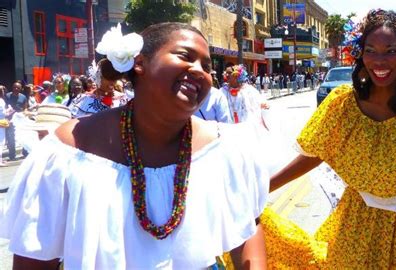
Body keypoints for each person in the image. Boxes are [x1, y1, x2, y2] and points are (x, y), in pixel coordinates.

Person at [0, 22, 269, 269]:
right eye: (185, 56)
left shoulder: (226, 149)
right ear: (139, 62)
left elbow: (246, 229)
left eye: (207, 65)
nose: (199, 70)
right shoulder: (66, 152)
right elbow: (33, 259)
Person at [266, 9, 396, 269]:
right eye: (370, 50)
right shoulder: (342, 102)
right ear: (360, 54)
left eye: (391, 51)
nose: (379, 61)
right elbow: (315, 154)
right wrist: (261, 190)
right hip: (355, 226)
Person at [4, 80, 28, 161]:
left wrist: (25, 113)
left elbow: (25, 108)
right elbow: (4, 107)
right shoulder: (7, 96)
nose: (16, 89)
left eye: (18, 87)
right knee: (11, 138)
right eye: (14, 87)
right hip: (10, 120)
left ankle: (25, 153)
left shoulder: (23, 97)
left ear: (21, 89)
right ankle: (12, 156)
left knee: (24, 136)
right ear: (12, 88)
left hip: (21, 119)